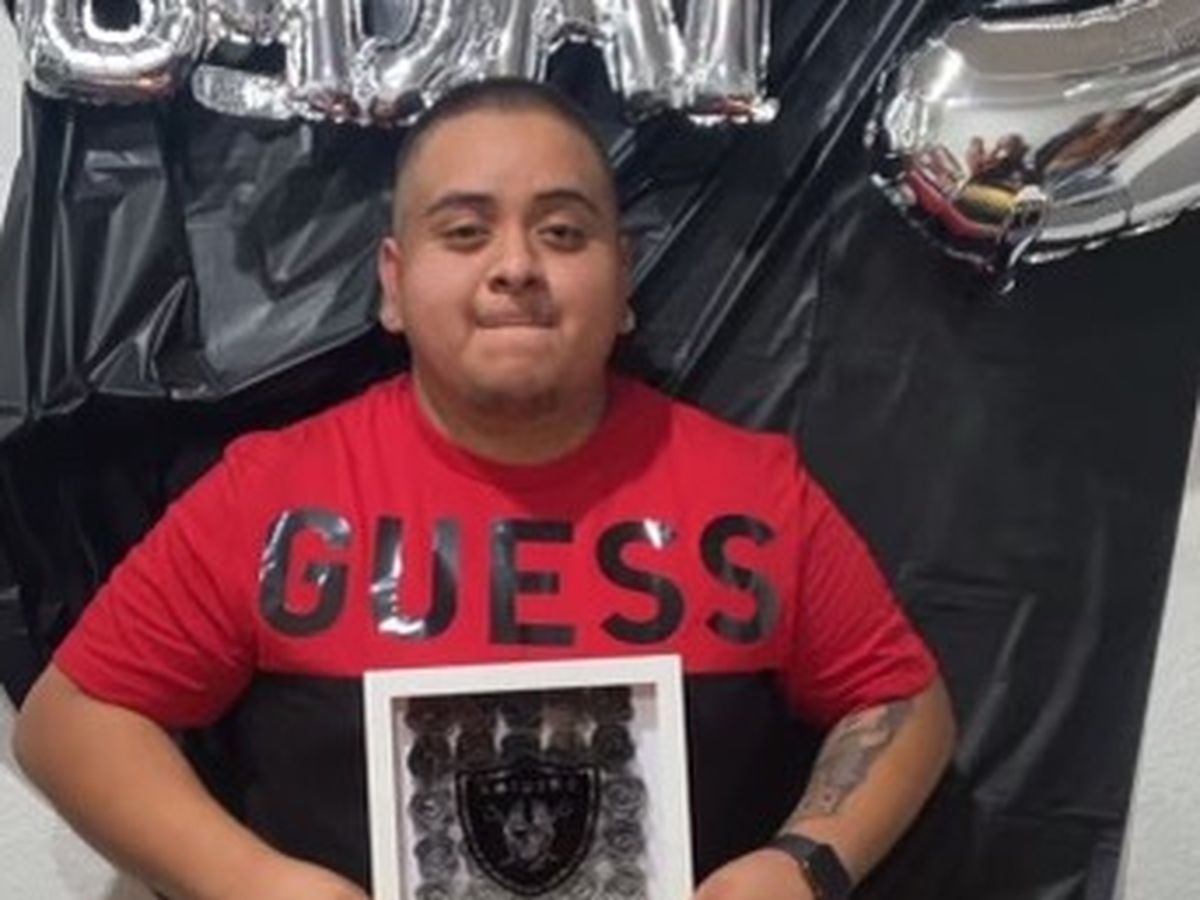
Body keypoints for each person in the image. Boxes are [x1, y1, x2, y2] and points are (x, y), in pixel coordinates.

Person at [13, 78, 956, 900]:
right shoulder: (275, 496)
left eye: (562, 231)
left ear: (623, 275)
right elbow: (72, 724)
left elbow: (901, 703)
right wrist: (255, 884)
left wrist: (804, 866)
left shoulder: (751, 492)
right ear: (393, 283)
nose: (515, 267)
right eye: (465, 232)